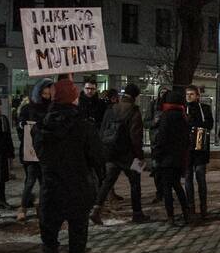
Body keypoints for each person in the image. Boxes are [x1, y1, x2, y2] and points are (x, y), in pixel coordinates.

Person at [31, 78, 105, 253]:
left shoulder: (40, 127)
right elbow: (98, 159)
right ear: (73, 98)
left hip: (52, 190)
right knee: (78, 243)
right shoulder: (85, 126)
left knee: (50, 242)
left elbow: (41, 157)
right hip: (79, 190)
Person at [91, 83, 148, 224]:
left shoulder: (111, 108)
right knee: (135, 182)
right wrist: (140, 157)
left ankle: (96, 210)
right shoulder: (134, 111)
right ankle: (137, 213)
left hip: (111, 153)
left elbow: (103, 131)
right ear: (135, 96)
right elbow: (136, 137)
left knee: (107, 182)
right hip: (129, 155)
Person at [151, 90, 191, 226]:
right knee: (177, 185)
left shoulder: (166, 116)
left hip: (166, 159)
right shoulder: (183, 116)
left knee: (167, 188)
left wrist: (156, 154)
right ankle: (186, 213)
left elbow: (162, 138)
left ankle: (171, 217)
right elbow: (186, 140)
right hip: (179, 158)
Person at [16, 79, 53, 222]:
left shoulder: (51, 107)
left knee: (44, 181)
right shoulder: (28, 108)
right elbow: (21, 127)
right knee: (30, 180)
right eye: (44, 93)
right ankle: (23, 207)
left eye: (49, 93)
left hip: (45, 150)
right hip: (30, 150)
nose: (46, 96)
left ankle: (41, 206)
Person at [184, 85, 213, 220]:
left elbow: (210, 124)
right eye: (187, 94)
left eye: (191, 94)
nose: (188, 97)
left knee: (201, 177)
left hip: (201, 149)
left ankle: (203, 207)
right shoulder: (183, 109)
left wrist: (194, 123)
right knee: (188, 178)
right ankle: (191, 207)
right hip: (187, 150)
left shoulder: (205, 108)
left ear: (197, 96)